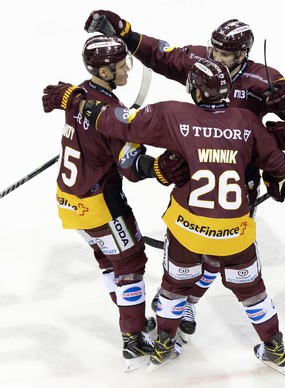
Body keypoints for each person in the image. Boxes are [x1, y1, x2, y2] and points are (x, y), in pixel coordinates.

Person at [42, 58, 285, 375]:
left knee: (174, 287)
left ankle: (163, 345)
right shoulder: (247, 121)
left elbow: (116, 123)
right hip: (234, 231)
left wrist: (77, 102)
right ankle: (274, 348)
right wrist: (280, 178)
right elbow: (279, 168)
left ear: (197, 92)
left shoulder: (174, 115)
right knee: (252, 291)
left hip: (187, 229)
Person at [83, 10, 285, 338]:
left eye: (223, 53)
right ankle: (183, 296)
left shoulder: (264, 79)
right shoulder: (202, 63)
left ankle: (185, 301)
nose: (215, 57)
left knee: (218, 254)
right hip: (195, 166)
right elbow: (161, 56)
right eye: (213, 49)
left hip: (239, 174)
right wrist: (125, 32)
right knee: (195, 244)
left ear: (243, 55)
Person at [41, 35, 190, 372]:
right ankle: (133, 338)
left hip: (69, 201)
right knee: (130, 264)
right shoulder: (105, 112)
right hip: (99, 205)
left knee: (109, 262)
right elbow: (131, 167)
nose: (126, 70)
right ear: (105, 70)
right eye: (121, 66)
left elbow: (90, 132)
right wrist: (159, 168)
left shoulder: (78, 96)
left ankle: (131, 320)